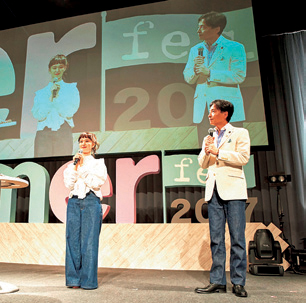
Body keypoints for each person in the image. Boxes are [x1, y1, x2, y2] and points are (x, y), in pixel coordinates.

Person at [196, 99, 250, 297]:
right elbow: (203, 163)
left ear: (224, 113)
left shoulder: (240, 133)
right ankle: (217, 281)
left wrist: (219, 151)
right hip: (213, 191)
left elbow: (244, 158)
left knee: (237, 238)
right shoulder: (208, 137)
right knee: (216, 239)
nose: (209, 115)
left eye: (212, 111)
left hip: (234, 191)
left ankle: (238, 282)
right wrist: (208, 149)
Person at [183, 12, 246, 144]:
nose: (198, 30)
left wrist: (210, 73)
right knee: (206, 149)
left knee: (231, 148)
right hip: (204, 110)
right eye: (198, 27)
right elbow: (188, 77)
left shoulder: (235, 47)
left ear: (216, 29)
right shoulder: (196, 49)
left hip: (226, 109)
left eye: (203, 27)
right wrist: (195, 71)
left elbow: (238, 76)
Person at [63, 132, 107, 290]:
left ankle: (88, 281)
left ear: (93, 145)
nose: (83, 144)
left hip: (90, 201)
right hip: (74, 202)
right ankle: (73, 280)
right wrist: (75, 166)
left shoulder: (98, 164)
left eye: (87, 141)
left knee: (89, 242)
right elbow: (69, 184)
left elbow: (96, 183)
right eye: (81, 141)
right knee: (72, 241)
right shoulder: (71, 165)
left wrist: (81, 168)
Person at [31, 54, 80, 157]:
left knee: (62, 163)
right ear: (49, 70)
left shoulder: (71, 89)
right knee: (42, 163)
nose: (57, 70)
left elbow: (69, 112)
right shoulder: (41, 93)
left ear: (65, 68)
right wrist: (50, 99)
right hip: (43, 133)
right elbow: (39, 116)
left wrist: (57, 98)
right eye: (54, 67)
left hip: (63, 131)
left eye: (61, 67)